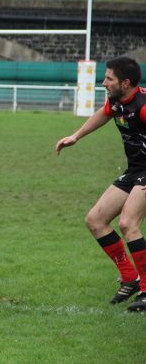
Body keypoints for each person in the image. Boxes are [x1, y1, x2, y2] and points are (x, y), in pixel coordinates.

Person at [56, 56, 146, 312]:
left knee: (128, 223)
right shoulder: (117, 101)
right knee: (95, 220)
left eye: (109, 78)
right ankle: (130, 277)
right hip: (135, 170)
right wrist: (76, 136)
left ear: (125, 82)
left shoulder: (142, 106)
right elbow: (104, 113)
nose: (103, 82)